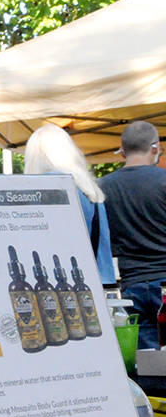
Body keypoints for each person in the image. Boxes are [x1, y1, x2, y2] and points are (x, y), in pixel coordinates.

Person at [97, 121, 166, 349]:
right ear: (155, 147)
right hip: (163, 283)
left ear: (123, 151)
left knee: (145, 363)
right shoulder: (163, 181)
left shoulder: (102, 188)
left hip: (131, 284)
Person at [22, 123, 116, 285]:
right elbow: (103, 250)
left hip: (54, 285)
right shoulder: (91, 193)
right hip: (98, 284)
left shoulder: (37, 193)